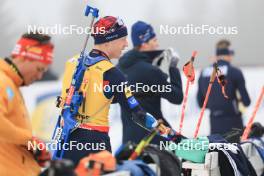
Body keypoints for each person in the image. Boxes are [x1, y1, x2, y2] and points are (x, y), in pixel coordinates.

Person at [59, 16, 181, 166]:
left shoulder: (72, 63)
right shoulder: (111, 73)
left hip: (67, 141)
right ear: (109, 41)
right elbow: (137, 114)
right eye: (123, 39)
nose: (126, 44)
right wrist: (168, 133)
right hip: (96, 144)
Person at [117, 21, 183, 144]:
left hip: (130, 142)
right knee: (193, 151)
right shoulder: (149, 71)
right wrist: (173, 67)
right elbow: (177, 97)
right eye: (154, 40)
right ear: (144, 43)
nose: (157, 44)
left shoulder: (120, 67)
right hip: (155, 139)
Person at [0, 32, 54, 175]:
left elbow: (9, 135)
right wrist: (29, 140)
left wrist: (33, 149)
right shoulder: (3, 82)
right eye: (39, 69)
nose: (40, 76)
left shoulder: (12, 85)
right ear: (24, 58)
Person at [197, 39, 251, 135]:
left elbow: (200, 103)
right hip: (233, 122)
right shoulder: (234, 71)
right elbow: (246, 101)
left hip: (214, 122)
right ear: (229, 54)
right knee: (234, 150)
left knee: (218, 149)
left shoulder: (203, 72)